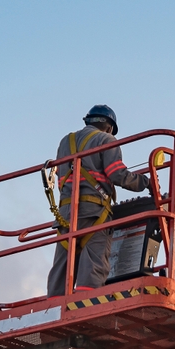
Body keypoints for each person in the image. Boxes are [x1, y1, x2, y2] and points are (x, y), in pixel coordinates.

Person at [46, 105, 150, 296]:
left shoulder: (65, 143)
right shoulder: (106, 139)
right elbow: (117, 175)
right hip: (94, 211)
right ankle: (87, 302)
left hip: (66, 214)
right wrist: (145, 182)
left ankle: (53, 305)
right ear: (109, 126)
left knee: (63, 262)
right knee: (94, 261)